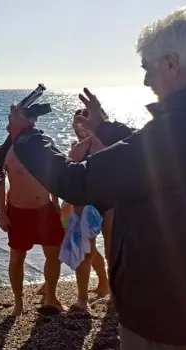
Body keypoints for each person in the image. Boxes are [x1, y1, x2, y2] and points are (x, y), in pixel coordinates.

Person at [7, 7, 186, 350]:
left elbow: (77, 180)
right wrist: (107, 127)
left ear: (172, 64)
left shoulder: (176, 131)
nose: (148, 80)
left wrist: (26, 136)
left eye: (149, 69)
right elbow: (147, 159)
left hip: (159, 315)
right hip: (185, 309)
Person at [0, 125, 65, 317]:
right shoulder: (5, 150)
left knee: (54, 254)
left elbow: (53, 175)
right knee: (17, 258)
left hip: (45, 209)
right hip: (18, 211)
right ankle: (18, 302)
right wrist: (2, 213)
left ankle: (51, 296)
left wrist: (56, 203)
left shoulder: (43, 146)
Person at [65, 110, 112, 309]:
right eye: (76, 124)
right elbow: (70, 183)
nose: (79, 128)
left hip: (110, 204)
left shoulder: (114, 146)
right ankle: (83, 299)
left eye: (83, 123)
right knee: (85, 252)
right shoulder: (76, 150)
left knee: (113, 250)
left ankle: (114, 294)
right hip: (85, 205)